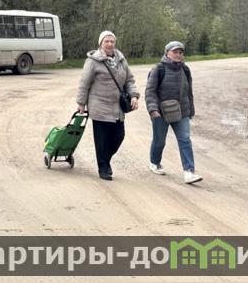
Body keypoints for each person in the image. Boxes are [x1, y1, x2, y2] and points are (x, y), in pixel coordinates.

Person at [75, 30, 140, 180]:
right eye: (107, 41)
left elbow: (129, 80)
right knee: (102, 141)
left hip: (117, 108)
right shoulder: (93, 61)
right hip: (99, 106)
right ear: (101, 43)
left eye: (112, 41)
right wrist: (81, 103)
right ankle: (103, 168)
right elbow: (84, 83)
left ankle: (106, 160)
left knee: (119, 136)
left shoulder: (121, 59)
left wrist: (134, 95)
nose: (110, 44)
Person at [145, 40, 203, 184]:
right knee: (159, 140)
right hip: (161, 113)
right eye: (175, 52)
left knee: (185, 140)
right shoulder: (158, 69)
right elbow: (150, 91)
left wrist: (190, 110)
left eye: (180, 52)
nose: (178, 54)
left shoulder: (185, 69)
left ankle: (189, 172)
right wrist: (152, 109)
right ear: (167, 53)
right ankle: (154, 162)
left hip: (182, 112)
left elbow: (189, 92)